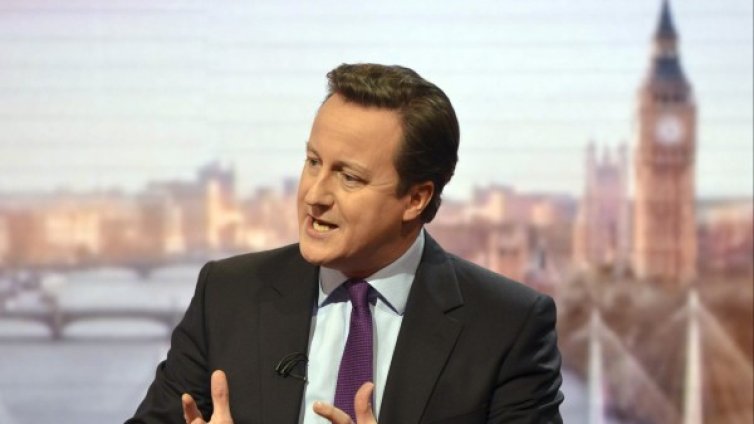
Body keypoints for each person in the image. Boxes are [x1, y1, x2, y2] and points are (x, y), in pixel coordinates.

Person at [127, 63, 563, 424]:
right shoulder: (227, 294)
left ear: (416, 198)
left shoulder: (508, 326)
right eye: (313, 162)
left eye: (349, 177)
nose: (314, 195)